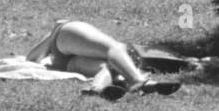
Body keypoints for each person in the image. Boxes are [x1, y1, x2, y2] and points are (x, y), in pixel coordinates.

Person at [24, 20, 181, 97]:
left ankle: (98, 88)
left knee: (107, 67)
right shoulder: (63, 28)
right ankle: (137, 80)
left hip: (68, 62)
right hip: (65, 34)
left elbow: (32, 58)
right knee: (115, 48)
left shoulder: (62, 46)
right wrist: (54, 31)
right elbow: (31, 58)